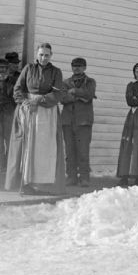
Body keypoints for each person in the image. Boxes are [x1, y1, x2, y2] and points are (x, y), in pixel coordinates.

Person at [5, 43, 65, 195]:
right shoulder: (28, 69)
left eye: (47, 55)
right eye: (41, 54)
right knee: (28, 147)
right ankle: (26, 183)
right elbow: (17, 89)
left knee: (44, 148)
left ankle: (44, 184)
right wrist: (24, 102)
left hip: (47, 112)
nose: (43, 57)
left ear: (51, 55)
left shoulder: (56, 72)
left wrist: (38, 100)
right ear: (37, 55)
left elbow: (57, 94)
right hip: (27, 111)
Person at [61, 57, 96, 187]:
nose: (76, 68)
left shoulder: (91, 82)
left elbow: (90, 94)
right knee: (69, 151)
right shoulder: (65, 82)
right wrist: (81, 97)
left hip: (84, 121)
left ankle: (84, 178)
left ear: (85, 67)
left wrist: (75, 91)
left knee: (83, 151)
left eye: (80, 66)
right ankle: (71, 177)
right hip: (67, 121)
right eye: (74, 65)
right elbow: (63, 98)